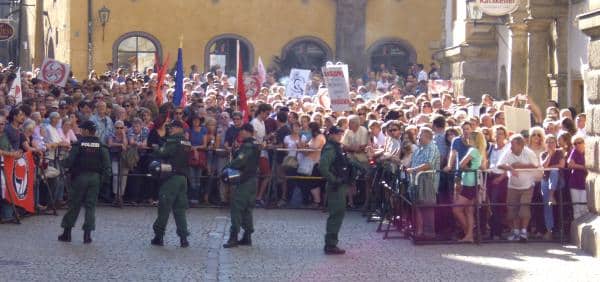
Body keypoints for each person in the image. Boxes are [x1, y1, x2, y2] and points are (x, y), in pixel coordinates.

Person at [58, 121, 111, 244]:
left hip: (80, 178)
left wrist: (62, 163)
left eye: (82, 130)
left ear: (87, 131)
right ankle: (87, 236)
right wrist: (102, 181)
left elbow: (70, 161)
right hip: (95, 178)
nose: (81, 132)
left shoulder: (79, 145)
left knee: (74, 205)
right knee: (90, 206)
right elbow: (107, 167)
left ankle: (67, 233)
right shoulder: (101, 146)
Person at [150, 120, 191, 248]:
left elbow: (163, 153)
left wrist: (156, 148)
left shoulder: (173, 141)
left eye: (172, 127)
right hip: (183, 178)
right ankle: (183, 238)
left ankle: (158, 236)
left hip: (171, 177)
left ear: (179, 128)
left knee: (164, 208)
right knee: (180, 210)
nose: (170, 130)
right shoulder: (187, 142)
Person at [319, 126, 359, 255]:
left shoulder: (337, 147)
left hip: (340, 185)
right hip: (336, 186)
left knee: (338, 213)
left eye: (340, 134)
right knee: (336, 214)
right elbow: (323, 167)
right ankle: (330, 244)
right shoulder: (331, 148)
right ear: (331, 135)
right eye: (337, 134)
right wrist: (334, 180)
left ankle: (331, 242)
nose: (339, 136)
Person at [223, 123, 260, 248]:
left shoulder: (248, 146)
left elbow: (240, 161)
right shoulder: (255, 144)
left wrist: (228, 166)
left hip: (245, 180)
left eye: (241, 132)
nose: (240, 134)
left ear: (246, 131)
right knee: (247, 209)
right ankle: (247, 236)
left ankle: (233, 237)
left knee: (237, 208)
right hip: (253, 179)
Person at [497, 134, 540, 242]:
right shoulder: (508, 151)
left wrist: (518, 165)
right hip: (512, 186)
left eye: (513, 144)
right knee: (512, 209)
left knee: (524, 208)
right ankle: (516, 231)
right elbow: (499, 165)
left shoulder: (529, 153)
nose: (510, 147)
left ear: (521, 145)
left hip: (527, 186)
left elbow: (535, 165)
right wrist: (510, 168)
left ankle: (524, 231)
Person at [406, 127, 440, 239]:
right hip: (416, 181)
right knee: (417, 206)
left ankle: (429, 233)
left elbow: (429, 164)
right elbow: (412, 162)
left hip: (427, 181)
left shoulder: (432, 147)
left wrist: (414, 170)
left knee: (427, 205)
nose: (418, 137)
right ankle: (419, 231)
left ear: (426, 136)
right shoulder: (419, 148)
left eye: (420, 135)